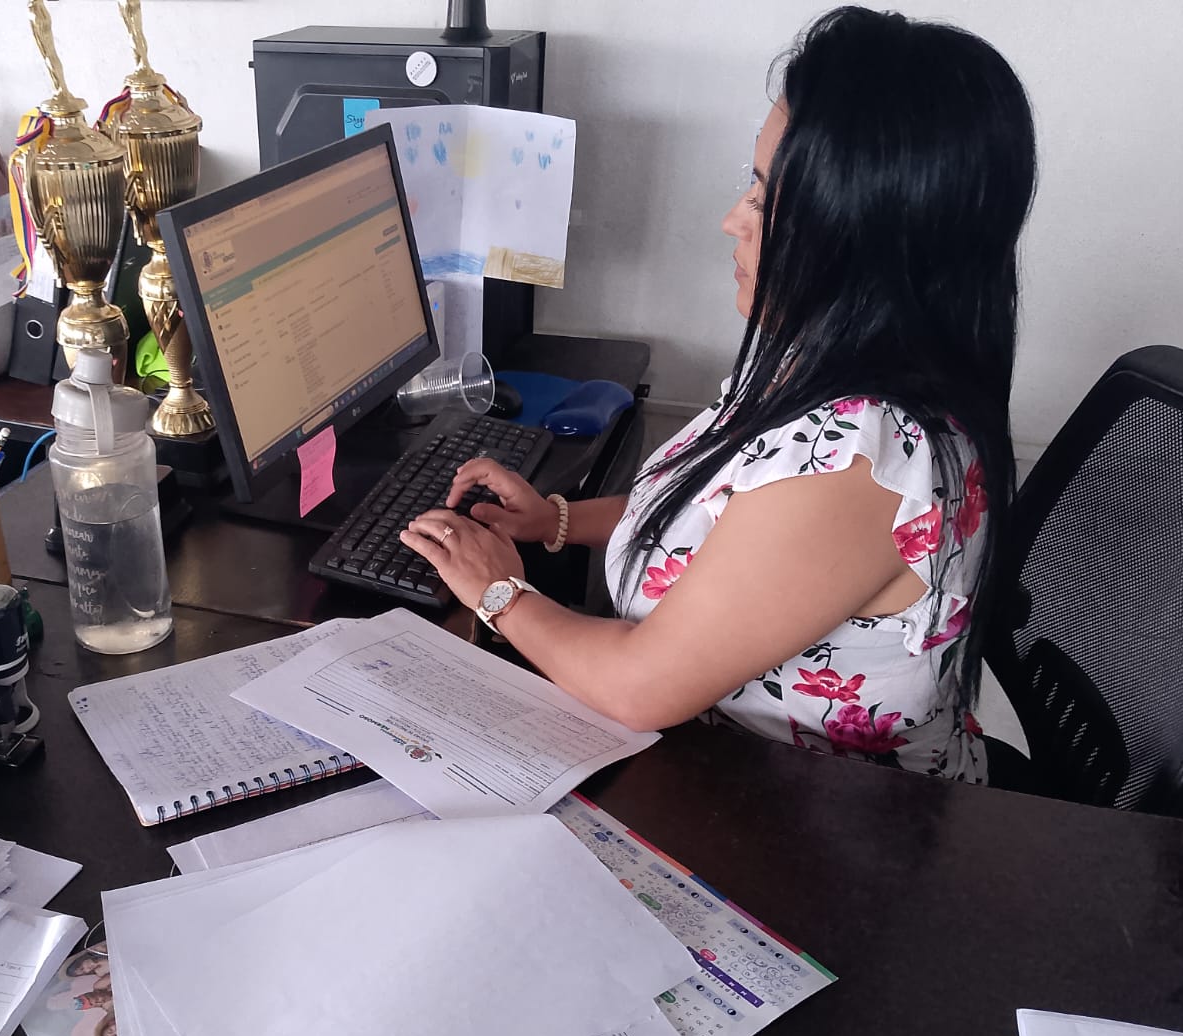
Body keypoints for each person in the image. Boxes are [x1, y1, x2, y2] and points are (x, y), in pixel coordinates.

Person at [400, 6, 1036, 783]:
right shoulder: (829, 361)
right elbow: (722, 522)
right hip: (737, 771)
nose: (733, 219)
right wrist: (556, 520)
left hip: (821, 818)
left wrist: (500, 593)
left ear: (861, 232)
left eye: (765, 198)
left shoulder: (859, 462)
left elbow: (637, 688)